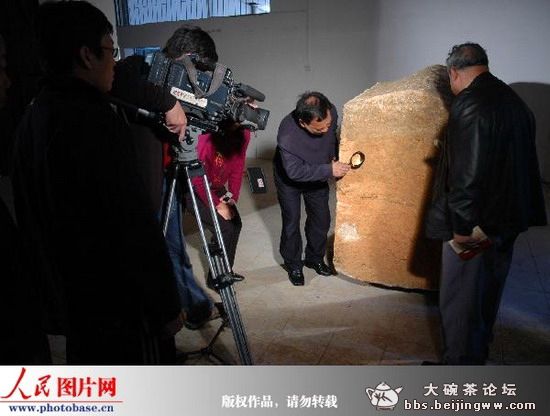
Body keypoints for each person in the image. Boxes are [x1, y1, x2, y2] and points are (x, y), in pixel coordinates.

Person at [11, 0, 183, 364]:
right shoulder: (94, 122)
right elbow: (132, 225)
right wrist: (165, 305)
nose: (114, 64)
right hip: (119, 304)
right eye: (110, 51)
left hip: (74, 302)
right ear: (87, 55)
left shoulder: (33, 116)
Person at [425, 42, 547, 365]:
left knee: (460, 301)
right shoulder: (514, 102)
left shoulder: (469, 105)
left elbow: (467, 176)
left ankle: (459, 370)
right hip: (508, 221)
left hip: (476, 225)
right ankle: (476, 356)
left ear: (454, 73)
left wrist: (462, 229)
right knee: (486, 298)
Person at [111, 24, 224, 329]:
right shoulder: (137, 68)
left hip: (167, 176)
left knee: (173, 247)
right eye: (198, 71)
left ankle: (191, 303)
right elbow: (120, 79)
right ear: (186, 58)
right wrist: (169, 104)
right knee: (163, 250)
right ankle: (187, 307)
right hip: (143, 187)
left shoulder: (173, 83)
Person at [273, 92, 350, 286]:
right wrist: (329, 169)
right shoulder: (287, 136)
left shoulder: (329, 111)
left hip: (318, 172)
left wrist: (332, 155)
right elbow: (295, 172)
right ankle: (293, 264)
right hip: (290, 179)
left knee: (322, 218)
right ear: (302, 123)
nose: (326, 129)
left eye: (328, 123)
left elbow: (331, 136)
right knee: (292, 221)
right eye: (318, 129)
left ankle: (314, 258)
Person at [186, 119, 251, 290]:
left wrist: (231, 197)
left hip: (215, 186)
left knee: (235, 225)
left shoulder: (244, 134)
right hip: (192, 187)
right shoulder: (206, 137)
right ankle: (217, 277)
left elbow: (238, 165)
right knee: (225, 228)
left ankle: (225, 271)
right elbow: (197, 178)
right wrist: (217, 205)